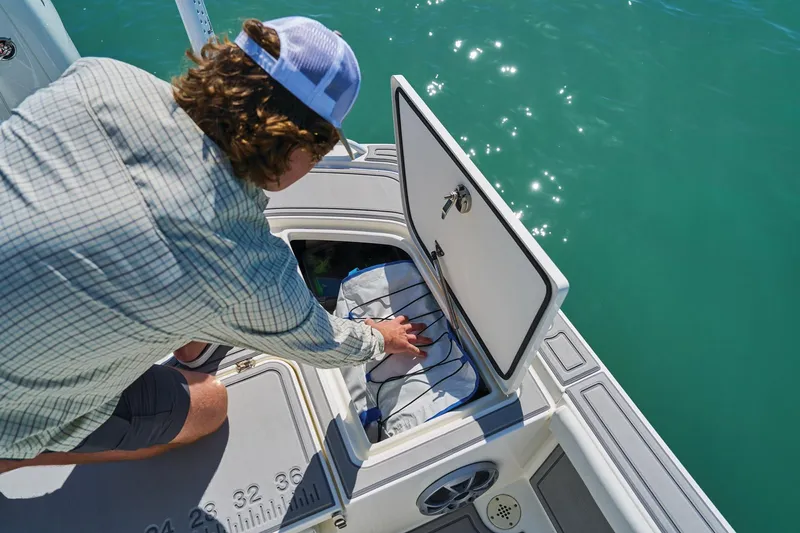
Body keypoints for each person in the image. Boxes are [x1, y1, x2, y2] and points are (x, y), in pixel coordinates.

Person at [0, 16, 430, 473]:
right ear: (299, 148)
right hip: (10, 415)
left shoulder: (99, 78)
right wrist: (380, 337)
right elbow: (322, 343)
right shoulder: (244, 269)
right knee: (209, 405)